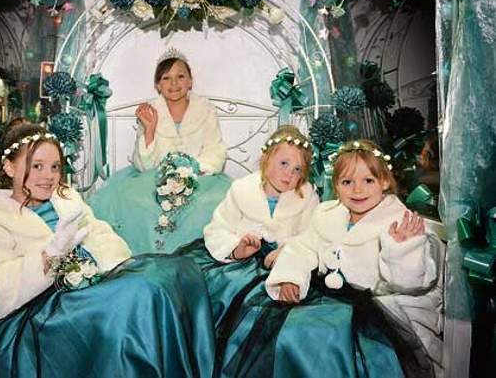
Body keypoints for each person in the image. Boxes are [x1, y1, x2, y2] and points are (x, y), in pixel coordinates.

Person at [0, 123, 215, 377]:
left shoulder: (65, 199)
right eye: (37, 166)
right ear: (9, 167)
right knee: (140, 293)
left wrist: (99, 266)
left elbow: (104, 237)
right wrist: (50, 256)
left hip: (91, 284)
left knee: (172, 273)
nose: (48, 176)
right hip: (41, 309)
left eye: (55, 166)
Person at [212, 139, 443, 377]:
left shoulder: (399, 222)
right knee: (288, 331)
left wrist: (402, 249)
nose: (357, 190)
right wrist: (290, 278)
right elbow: (302, 248)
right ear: (336, 186)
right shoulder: (327, 214)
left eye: (368, 180)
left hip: (376, 307)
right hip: (329, 297)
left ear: (384, 181)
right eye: (347, 182)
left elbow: (410, 282)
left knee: (324, 339)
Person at [90, 48, 231, 254]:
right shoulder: (150, 111)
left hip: (201, 176)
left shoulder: (206, 109)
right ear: (158, 85)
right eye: (166, 78)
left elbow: (215, 149)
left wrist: (191, 170)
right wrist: (150, 129)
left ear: (190, 81)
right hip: (155, 177)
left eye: (180, 76)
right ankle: (150, 257)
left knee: (213, 202)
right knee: (134, 201)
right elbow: (144, 164)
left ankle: (193, 257)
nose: (174, 84)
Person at [177, 125, 319, 329]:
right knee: (229, 289)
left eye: (297, 170)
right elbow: (217, 229)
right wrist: (237, 248)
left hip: (286, 265)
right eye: (284, 163)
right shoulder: (242, 190)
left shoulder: (306, 196)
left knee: (292, 313)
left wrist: (286, 256)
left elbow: (311, 239)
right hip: (240, 264)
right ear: (265, 159)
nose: (289, 174)